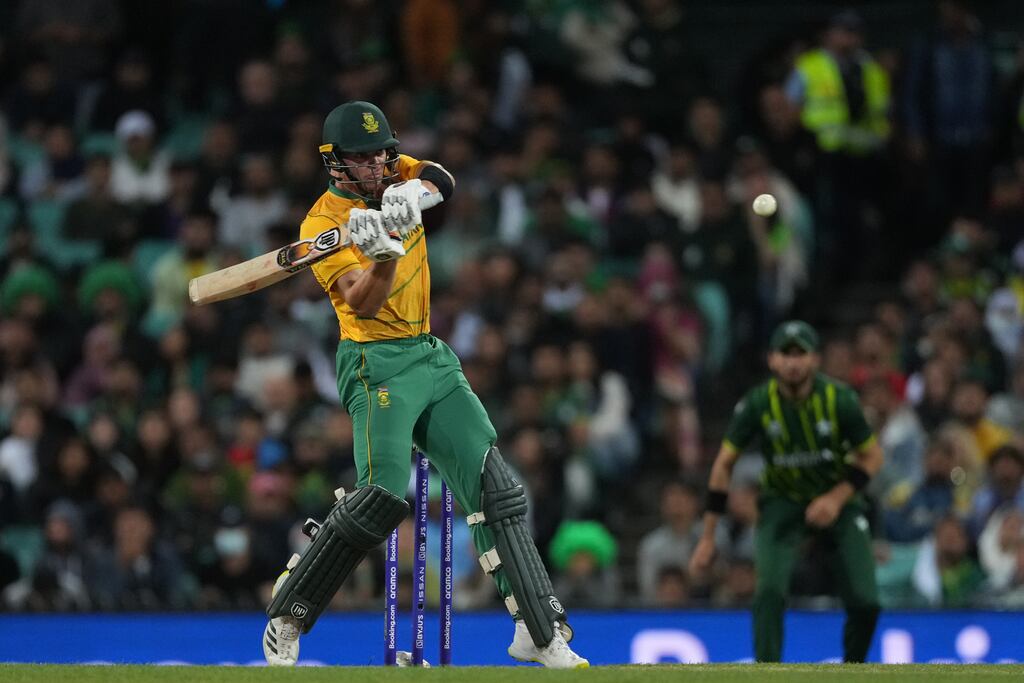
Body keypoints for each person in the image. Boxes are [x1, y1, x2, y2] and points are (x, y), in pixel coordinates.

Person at [260, 101, 588, 668]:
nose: (376, 166)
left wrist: (410, 199)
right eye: (361, 159)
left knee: (497, 489)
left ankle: (537, 629)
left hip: (430, 352)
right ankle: (288, 612)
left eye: (381, 154)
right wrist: (383, 256)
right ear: (335, 164)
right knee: (381, 498)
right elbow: (362, 300)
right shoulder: (320, 225)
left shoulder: (397, 176)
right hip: (373, 359)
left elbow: (443, 180)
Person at [689, 320, 884, 662]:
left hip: (836, 500)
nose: (793, 362)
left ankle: (854, 670)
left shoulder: (839, 399)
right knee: (768, 593)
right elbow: (723, 464)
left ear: (815, 360)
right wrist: (708, 537)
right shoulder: (757, 404)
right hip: (782, 503)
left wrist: (835, 499)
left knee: (867, 602)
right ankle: (768, 672)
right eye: (785, 354)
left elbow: (873, 455)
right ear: (772, 360)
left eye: (801, 353)